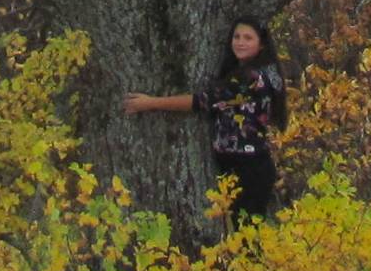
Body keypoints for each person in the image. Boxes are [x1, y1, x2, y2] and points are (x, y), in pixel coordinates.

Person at [123, 20, 290, 220]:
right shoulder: (265, 70)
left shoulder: (251, 77)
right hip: (246, 165)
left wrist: (150, 103)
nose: (240, 43)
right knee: (243, 236)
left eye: (248, 38)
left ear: (261, 44)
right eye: (236, 37)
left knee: (246, 240)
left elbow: (201, 101)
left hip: (249, 169)